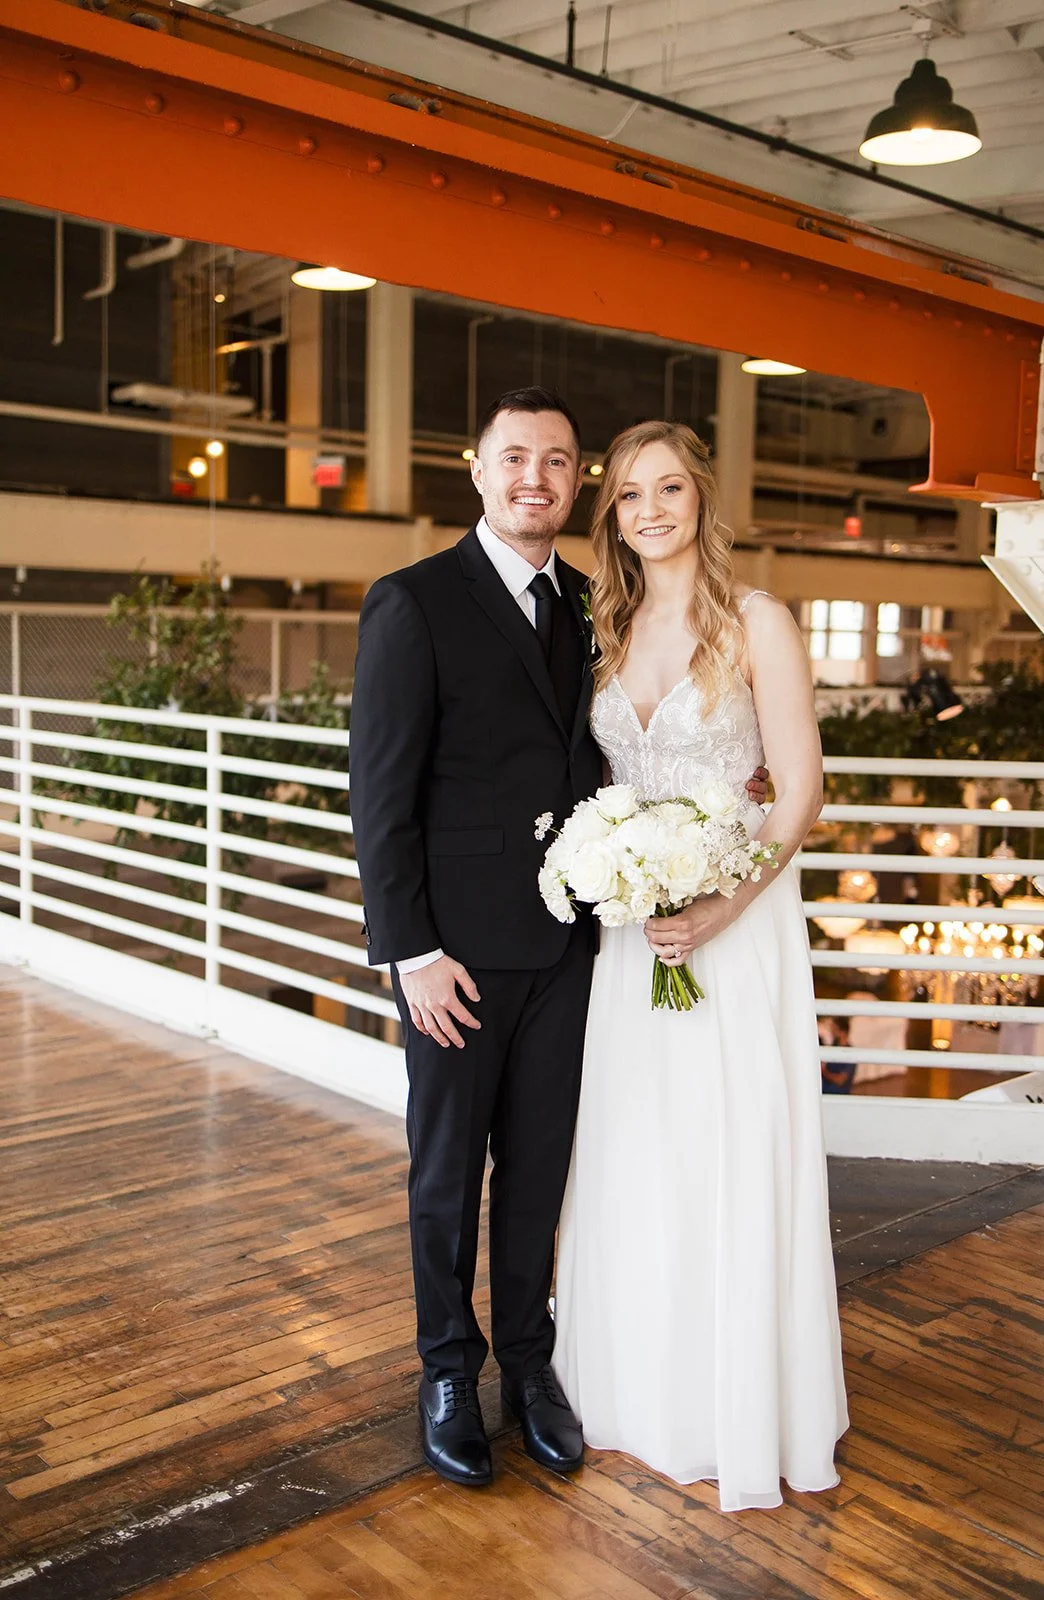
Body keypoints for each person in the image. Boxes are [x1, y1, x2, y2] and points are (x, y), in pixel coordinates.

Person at [350, 388, 769, 1489]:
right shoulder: (412, 601)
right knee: (448, 1175)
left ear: (575, 481)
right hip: (452, 958)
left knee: (539, 1170)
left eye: (555, 461)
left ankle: (529, 1368)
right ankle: (448, 1371)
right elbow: (379, 794)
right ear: (477, 469)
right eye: (514, 458)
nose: (533, 477)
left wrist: (732, 799)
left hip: (575, 945)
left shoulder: (595, 605)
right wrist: (409, 951)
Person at [553, 419, 848, 1513]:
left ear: (700, 498)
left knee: (727, 1152)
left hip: (736, 927)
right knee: (636, 1153)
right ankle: (635, 1395)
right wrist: (615, 875)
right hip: (633, 938)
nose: (650, 510)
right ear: (612, 516)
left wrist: (721, 907)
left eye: (668, 488)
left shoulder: (756, 619)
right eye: (629, 495)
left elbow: (799, 790)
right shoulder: (601, 624)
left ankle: (739, 1405)